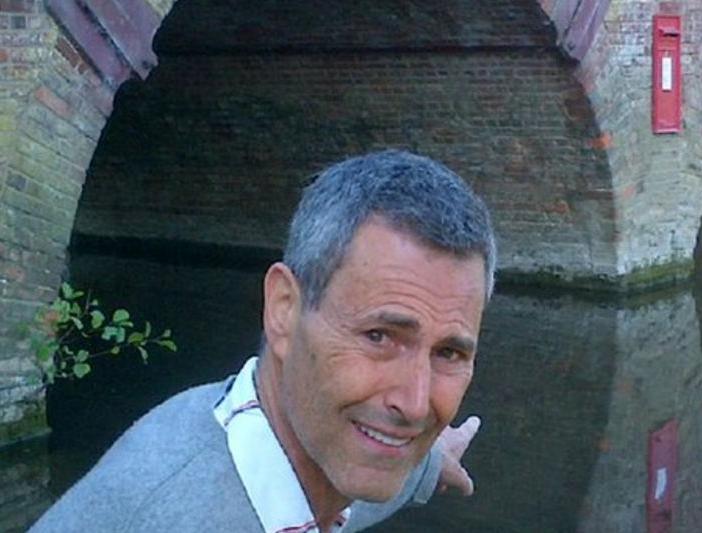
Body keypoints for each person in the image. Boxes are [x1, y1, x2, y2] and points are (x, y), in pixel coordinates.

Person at [30, 150, 497, 532]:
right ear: (284, 310)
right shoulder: (181, 515)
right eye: (379, 336)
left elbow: (352, 490)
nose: (416, 404)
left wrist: (428, 466)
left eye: (449, 353)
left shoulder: (270, 433)